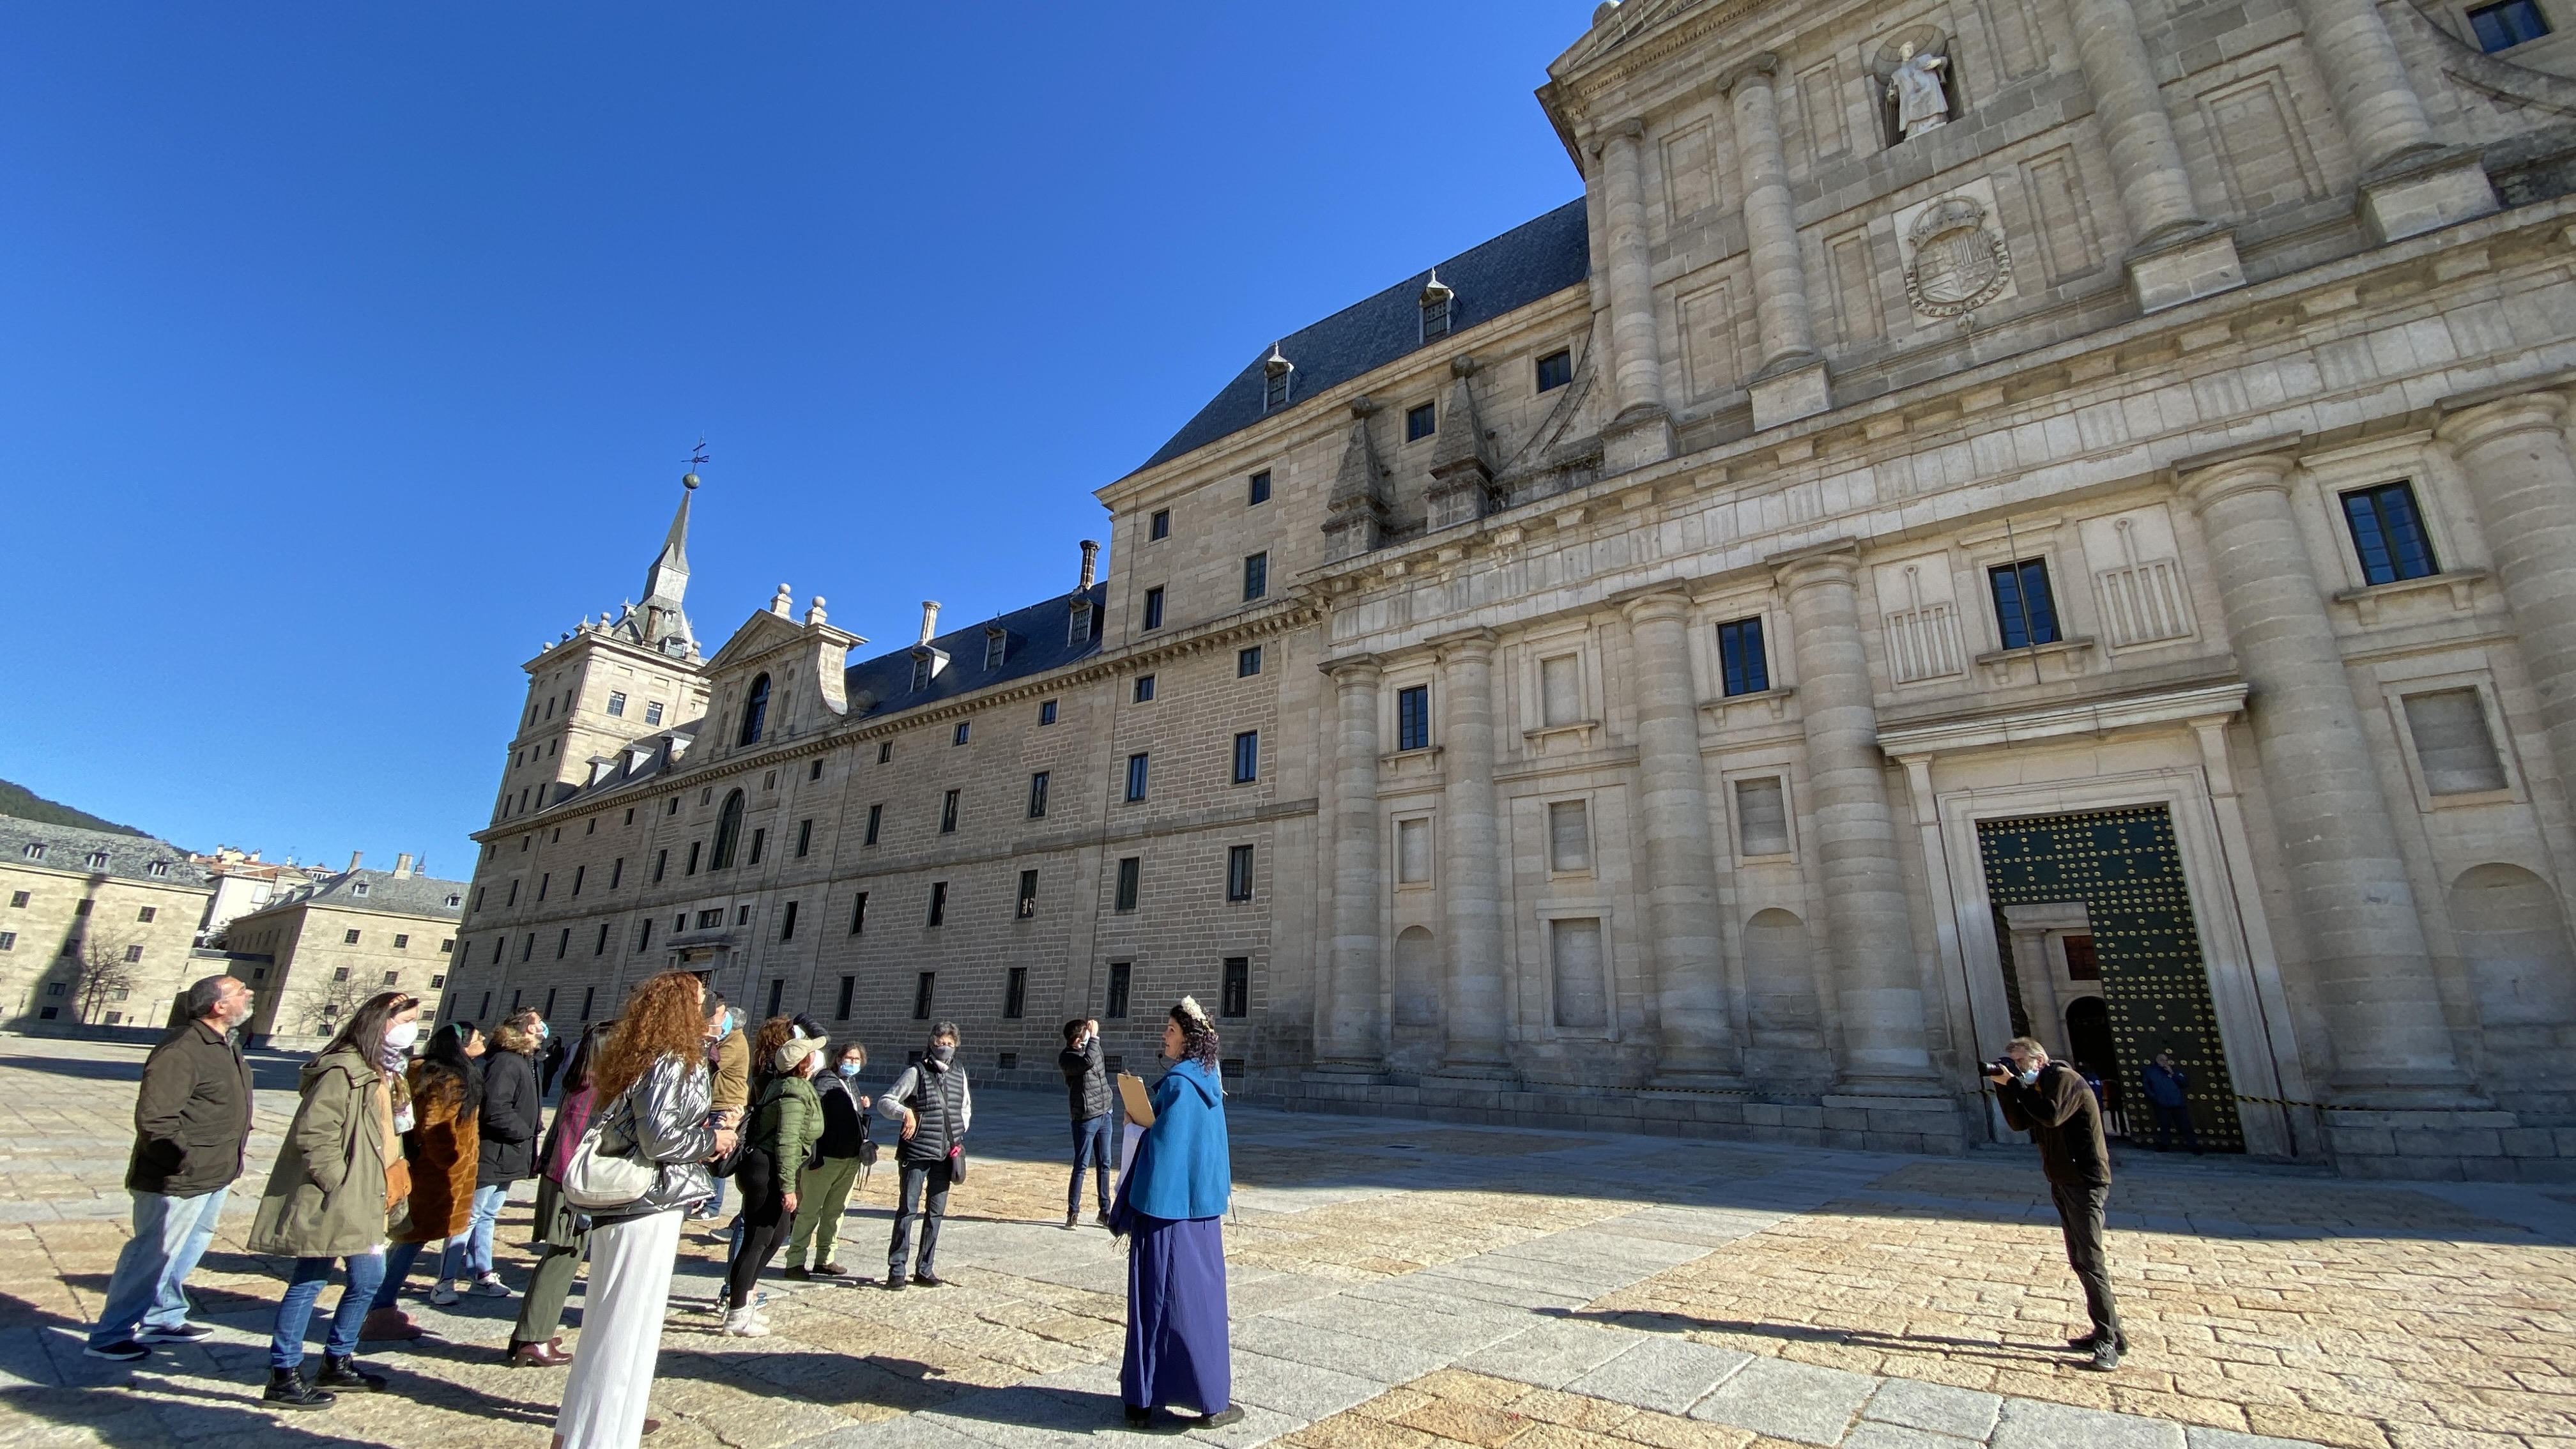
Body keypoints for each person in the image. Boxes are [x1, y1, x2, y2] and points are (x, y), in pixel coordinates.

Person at [552, 970, 735, 1449]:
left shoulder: (637, 1055)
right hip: (647, 1202)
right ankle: (605, 1436)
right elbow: (661, 1138)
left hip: (628, 1204)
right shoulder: (675, 1060)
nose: (713, 1007)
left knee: (607, 1324)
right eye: (703, 1000)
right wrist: (713, 1138)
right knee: (628, 1330)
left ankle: (581, 1430)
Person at [250, 990, 420, 1409]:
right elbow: (315, 1132)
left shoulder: (388, 1071)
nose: (412, 1030)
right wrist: (338, 1182)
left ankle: (337, 1361)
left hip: (373, 1192)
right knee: (310, 1278)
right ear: (381, 1022)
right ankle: (284, 1373)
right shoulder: (344, 1069)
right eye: (406, 1021)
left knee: (367, 1280)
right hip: (343, 1195)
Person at [84, 974, 257, 1361]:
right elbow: (156, 1120)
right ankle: (110, 1334)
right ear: (218, 1006)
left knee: (188, 1245)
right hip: (179, 1176)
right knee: (153, 1251)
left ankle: (163, 1317)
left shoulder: (223, 1044)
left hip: (216, 1171)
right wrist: (182, 1162)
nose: (249, 995)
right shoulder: (182, 1049)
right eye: (240, 992)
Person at [1110, 998, 1241, 1430]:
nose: (1164, 1036)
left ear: (1188, 1038)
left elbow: (1164, 1150)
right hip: (1199, 1213)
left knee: (1155, 1301)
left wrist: (1135, 1125)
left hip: (1165, 1213)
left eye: (1170, 1029)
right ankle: (1207, 1397)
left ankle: (1143, 1399)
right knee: (1198, 1302)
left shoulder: (1180, 1086)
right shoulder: (1207, 1082)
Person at [1989, 1036, 2124, 1370]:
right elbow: (2021, 1123)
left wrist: (2017, 1087)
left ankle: (2108, 1340)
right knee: (2079, 1257)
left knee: (2090, 1259)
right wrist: (2004, 1087)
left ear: (2040, 1058)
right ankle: (2111, 1331)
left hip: (2085, 1181)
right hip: (2063, 1178)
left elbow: (2050, 1117)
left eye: (2021, 1063)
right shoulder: (2035, 1086)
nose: (2018, 1069)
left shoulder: (2064, 1080)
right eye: (2014, 1064)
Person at [365, 1020, 482, 1337]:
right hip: (433, 1175)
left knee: (405, 1238)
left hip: (416, 1165)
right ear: (463, 1045)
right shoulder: (449, 1079)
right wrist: (451, 1160)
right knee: (409, 1242)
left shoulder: (421, 1070)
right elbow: (436, 1125)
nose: (482, 1040)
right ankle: (379, 1306)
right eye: (477, 1037)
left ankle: (377, 1302)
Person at [509, 1020, 613, 1366]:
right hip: (570, 1183)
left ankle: (531, 1331)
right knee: (563, 1257)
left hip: (560, 1178)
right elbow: (578, 1145)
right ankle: (534, 1338)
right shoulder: (593, 1092)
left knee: (563, 1256)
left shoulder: (579, 1083)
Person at [723, 1027, 826, 1335]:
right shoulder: (793, 1093)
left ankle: (746, 1298)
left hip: (773, 1167)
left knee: (777, 1234)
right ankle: (736, 1311)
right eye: (812, 1054)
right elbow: (787, 1141)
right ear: (804, 1063)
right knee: (757, 1240)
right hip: (768, 1170)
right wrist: (788, 1187)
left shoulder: (786, 1084)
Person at [877, 1022, 970, 1290]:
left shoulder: (960, 1073)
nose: (946, 1047)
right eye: (941, 1042)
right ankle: (897, 1269)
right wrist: (904, 1112)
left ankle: (925, 1269)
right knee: (908, 1210)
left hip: (945, 1153)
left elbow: (965, 1108)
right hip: (917, 1151)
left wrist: (958, 1135)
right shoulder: (915, 1072)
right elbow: (886, 1101)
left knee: (936, 1213)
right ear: (931, 1043)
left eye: (951, 1043)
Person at [461, 1011, 542, 1300]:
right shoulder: (507, 1061)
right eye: (536, 1024)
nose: (541, 1029)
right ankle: (446, 1279)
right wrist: (523, 1130)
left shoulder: (525, 1060)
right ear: (521, 1029)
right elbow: (496, 1108)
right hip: (495, 1151)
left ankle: (480, 1271)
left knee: (487, 1215)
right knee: (471, 1217)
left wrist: (533, 1127)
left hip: (511, 1152)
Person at [784, 1041, 871, 1279]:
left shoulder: (850, 1083)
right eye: (848, 1059)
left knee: (835, 1211)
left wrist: (860, 1108)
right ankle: (795, 1261)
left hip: (849, 1158)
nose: (852, 1063)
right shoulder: (825, 1082)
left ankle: (825, 1258)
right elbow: (814, 1117)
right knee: (809, 1212)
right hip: (826, 1158)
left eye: (856, 1060)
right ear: (838, 1058)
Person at [1059, 1017, 1112, 1232]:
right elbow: (1088, 1062)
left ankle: (1105, 1211)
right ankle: (1073, 1212)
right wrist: (1095, 1038)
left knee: (1105, 1164)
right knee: (1081, 1165)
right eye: (1086, 1035)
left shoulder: (1092, 1048)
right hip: (1085, 1115)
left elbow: (1099, 1066)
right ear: (1077, 1039)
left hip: (1104, 1112)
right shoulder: (1067, 1058)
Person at [2142, 1050, 2200, 1154]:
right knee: (2164, 1126)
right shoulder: (2150, 1072)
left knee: (2185, 1126)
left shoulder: (2174, 1071)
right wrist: (2155, 1098)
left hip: (2178, 1103)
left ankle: (2193, 1146)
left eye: (2166, 1060)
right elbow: (2146, 1086)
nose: (2164, 1062)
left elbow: (2184, 1083)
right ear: (2157, 1061)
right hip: (2162, 1104)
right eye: (2162, 1060)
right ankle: (2164, 1145)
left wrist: (2172, 1073)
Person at [540, 1028, 569, 1098]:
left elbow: (560, 1058)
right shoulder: (550, 1047)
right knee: (545, 1079)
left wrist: (556, 1064)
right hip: (547, 1065)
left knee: (549, 1079)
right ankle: (542, 1091)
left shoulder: (561, 1049)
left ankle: (546, 1092)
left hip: (553, 1067)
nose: (555, 1041)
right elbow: (546, 1054)